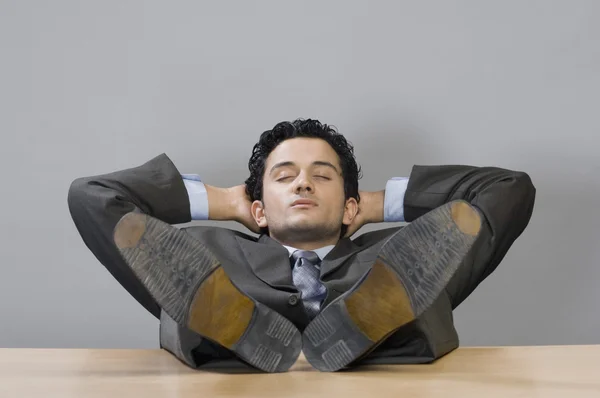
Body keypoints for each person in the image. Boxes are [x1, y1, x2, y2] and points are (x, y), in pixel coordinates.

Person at [67, 119, 536, 372]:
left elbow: (509, 188)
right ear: (259, 209)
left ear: (350, 207)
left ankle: (366, 323)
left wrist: (374, 205)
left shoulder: (413, 250)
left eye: (323, 176)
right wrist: (226, 200)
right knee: (188, 287)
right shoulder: (204, 251)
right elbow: (91, 197)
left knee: (421, 273)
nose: (304, 184)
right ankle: (234, 326)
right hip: (230, 374)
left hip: (391, 375)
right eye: (285, 176)